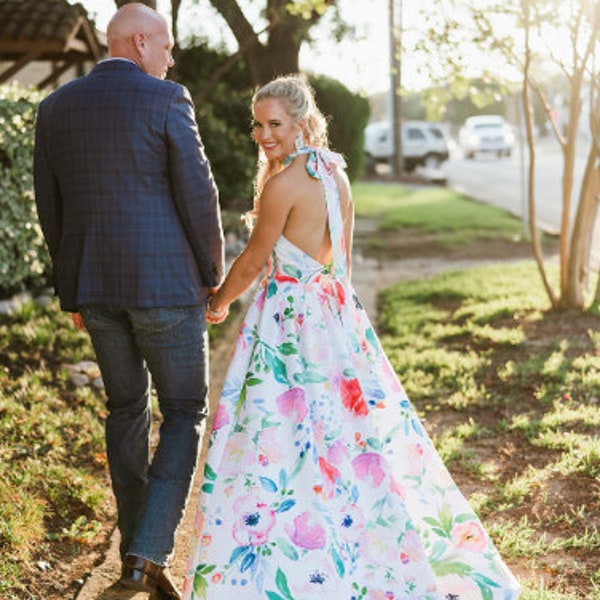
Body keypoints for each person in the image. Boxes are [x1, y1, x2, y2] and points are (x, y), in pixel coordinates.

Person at [181, 75, 520, 599]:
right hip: (336, 315)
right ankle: (357, 541)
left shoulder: (284, 185)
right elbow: (339, 261)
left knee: (282, 432)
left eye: (275, 124)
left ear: (300, 122)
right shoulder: (335, 174)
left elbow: (252, 261)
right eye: (258, 125)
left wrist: (219, 301)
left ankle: (288, 556)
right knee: (350, 432)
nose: (264, 134)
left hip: (290, 321)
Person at [33, 4, 224, 599]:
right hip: (166, 287)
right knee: (186, 411)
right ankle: (144, 555)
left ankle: (134, 561)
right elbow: (199, 195)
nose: (171, 58)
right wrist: (214, 274)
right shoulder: (167, 100)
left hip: (96, 290)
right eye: (166, 45)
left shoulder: (54, 108)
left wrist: (73, 288)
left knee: (125, 410)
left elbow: (50, 207)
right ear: (140, 41)